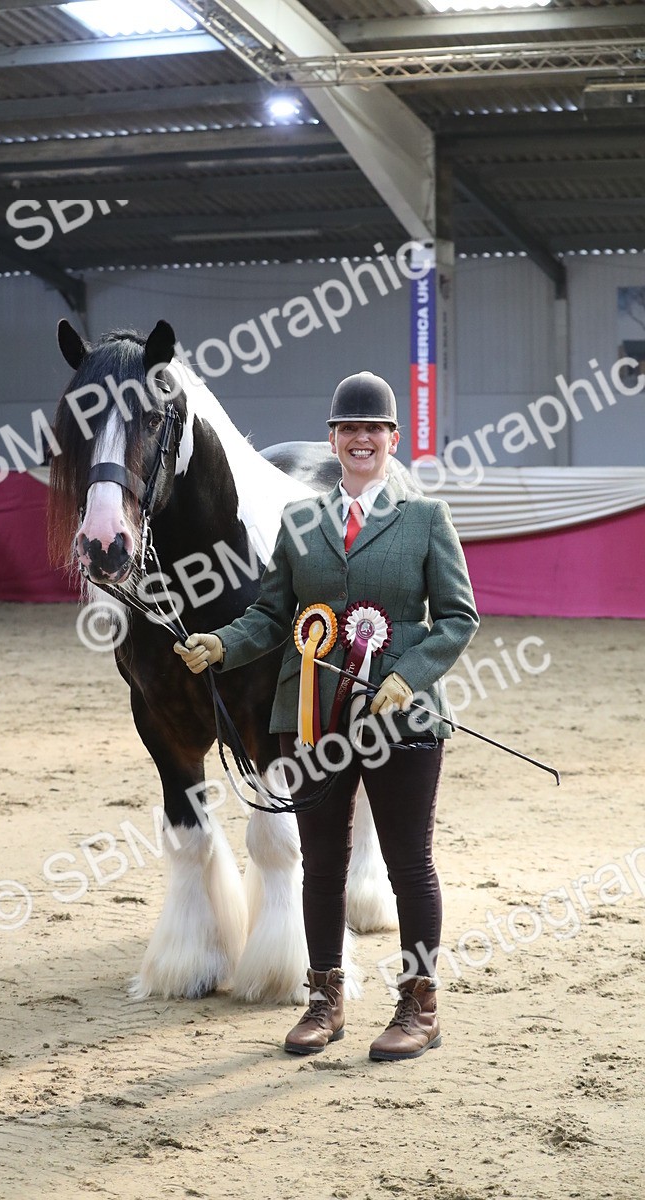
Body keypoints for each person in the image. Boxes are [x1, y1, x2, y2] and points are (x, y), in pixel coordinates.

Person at [174, 372, 479, 1060]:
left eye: (374, 429)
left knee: (409, 864)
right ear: (333, 439)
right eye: (349, 429)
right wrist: (224, 643)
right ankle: (325, 999)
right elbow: (274, 615)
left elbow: (459, 618)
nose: (361, 439)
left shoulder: (427, 519)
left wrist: (408, 677)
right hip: (312, 718)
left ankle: (419, 1005)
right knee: (320, 865)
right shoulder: (301, 522)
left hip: (400, 719)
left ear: (393, 439)